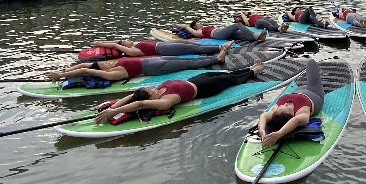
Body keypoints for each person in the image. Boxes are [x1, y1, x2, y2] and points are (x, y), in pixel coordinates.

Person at [94, 60, 266, 124]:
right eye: (150, 90)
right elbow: (139, 103)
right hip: (205, 89)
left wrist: (112, 107)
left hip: (196, 80)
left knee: (225, 73)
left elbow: (131, 96)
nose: (153, 88)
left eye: (149, 87)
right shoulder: (164, 100)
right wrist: (115, 112)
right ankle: (253, 72)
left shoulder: (154, 92)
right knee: (230, 80)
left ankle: (249, 68)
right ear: (150, 97)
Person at [46, 43, 231, 81]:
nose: (106, 64)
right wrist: (65, 76)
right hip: (154, 68)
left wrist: (62, 72)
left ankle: (215, 55)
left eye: (103, 64)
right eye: (102, 66)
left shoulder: (113, 65)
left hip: (151, 60)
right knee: (187, 64)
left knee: (182, 58)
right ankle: (216, 58)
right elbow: (86, 71)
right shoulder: (113, 74)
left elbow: (82, 66)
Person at [258, 58, 324, 147]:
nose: (284, 104)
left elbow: (264, 115)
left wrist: (262, 131)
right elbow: (295, 121)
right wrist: (279, 134)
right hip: (314, 92)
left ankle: (305, 85)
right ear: (290, 115)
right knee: (311, 63)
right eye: (286, 107)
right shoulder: (302, 113)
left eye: (279, 107)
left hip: (298, 90)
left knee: (303, 83)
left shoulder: (276, 112)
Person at [87, 38, 230, 57]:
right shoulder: (132, 50)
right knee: (192, 49)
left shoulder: (135, 44)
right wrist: (100, 44)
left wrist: (101, 41)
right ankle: (220, 48)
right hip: (164, 49)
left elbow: (115, 41)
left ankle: (218, 46)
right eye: (124, 42)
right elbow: (114, 45)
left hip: (164, 44)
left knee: (191, 43)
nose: (127, 40)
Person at [173, 21, 267, 42]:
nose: (200, 24)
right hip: (217, 34)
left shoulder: (204, 28)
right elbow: (185, 26)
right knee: (237, 25)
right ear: (194, 26)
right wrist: (177, 25)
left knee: (240, 34)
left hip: (221, 32)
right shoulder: (198, 32)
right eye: (198, 23)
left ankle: (258, 38)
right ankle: (256, 35)